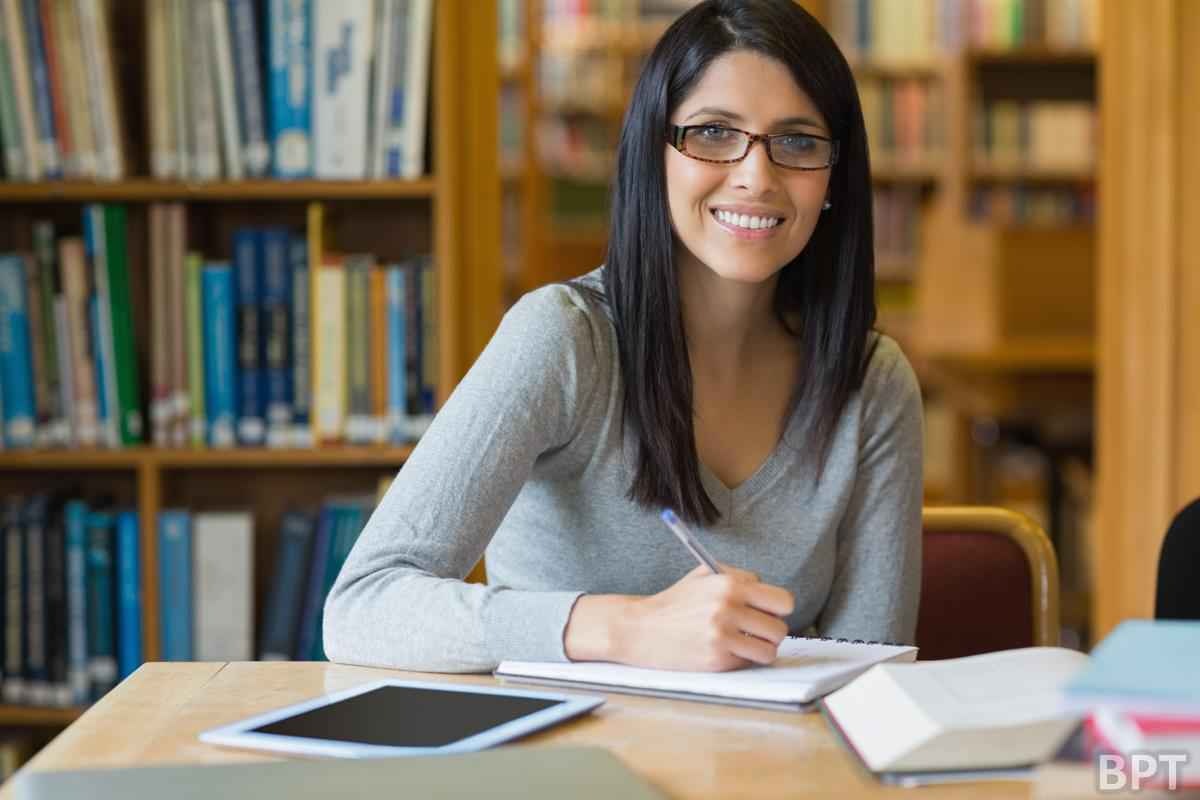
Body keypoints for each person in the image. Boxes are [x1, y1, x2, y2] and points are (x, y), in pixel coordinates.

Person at [324, 0, 923, 673]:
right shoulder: (562, 339)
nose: (757, 175)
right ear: (653, 153)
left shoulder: (871, 381)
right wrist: (624, 628)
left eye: (797, 142)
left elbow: (870, 673)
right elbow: (363, 606)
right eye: (714, 132)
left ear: (834, 178)